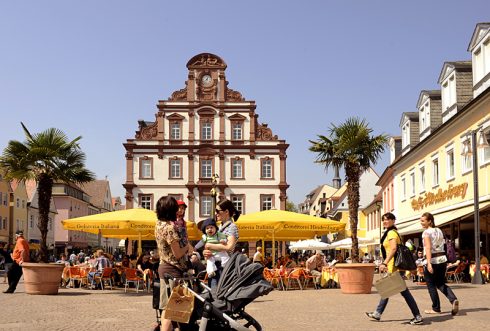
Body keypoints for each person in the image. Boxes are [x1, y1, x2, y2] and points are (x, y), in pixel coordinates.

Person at [366, 213, 423, 325]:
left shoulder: (391, 233)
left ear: (393, 220)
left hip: (393, 267)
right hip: (394, 267)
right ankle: (378, 313)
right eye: (383, 220)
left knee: (399, 292)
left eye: (387, 219)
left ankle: (417, 316)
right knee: (390, 291)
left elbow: (393, 249)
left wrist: (384, 263)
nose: (385, 222)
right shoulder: (390, 232)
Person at [155, 196, 193, 331]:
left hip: (164, 267)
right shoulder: (169, 227)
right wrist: (187, 247)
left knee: (167, 309)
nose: (178, 210)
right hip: (173, 269)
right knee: (172, 310)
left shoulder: (158, 224)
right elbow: (178, 253)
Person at [420, 212, 459, 315]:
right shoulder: (439, 231)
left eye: (423, 221)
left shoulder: (426, 233)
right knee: (441, 283)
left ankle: (436, 308)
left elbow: (428, 248)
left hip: (432, 260)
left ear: (430, 221)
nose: (421, 223)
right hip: (442, 260)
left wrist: (428, 263)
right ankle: (453, 299)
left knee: (431, 285)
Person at [203, 199, 240, 267]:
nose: (215, 213)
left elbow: (229, 247)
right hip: (216, 264)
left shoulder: (232, 227)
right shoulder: (219, 227)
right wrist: (206, 252)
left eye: (217, 211)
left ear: (226, 212)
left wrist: (209, 245)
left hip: (225, 266)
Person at [194, 218, 228, 288]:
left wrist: (223, 241)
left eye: (211, 227)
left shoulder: (218, 235)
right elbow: (201, 242)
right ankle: (211, 272)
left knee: (225, 256)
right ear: (205, 230)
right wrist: (195, 247)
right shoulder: (205, 237)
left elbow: (225, 239)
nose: (209, 229)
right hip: (211, 254)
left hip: (219, 252)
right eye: (207, 228)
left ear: (215, 228)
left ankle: (225, 266)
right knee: (210, 262)